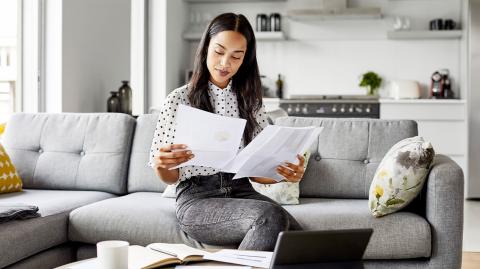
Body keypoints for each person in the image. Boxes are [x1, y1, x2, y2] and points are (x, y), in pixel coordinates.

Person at [149, 13, 304, 251]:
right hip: (197, 198)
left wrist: (284, 172)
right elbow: (171, 177)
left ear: (245, 60)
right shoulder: (178, 99)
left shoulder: (250, 102)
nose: (225, 63)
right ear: (205, 49)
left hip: (243, 192)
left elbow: (257, 174)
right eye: (219, 52)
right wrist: (162, 165)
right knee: (270, 216)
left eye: (236, 56)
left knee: (302, 245)